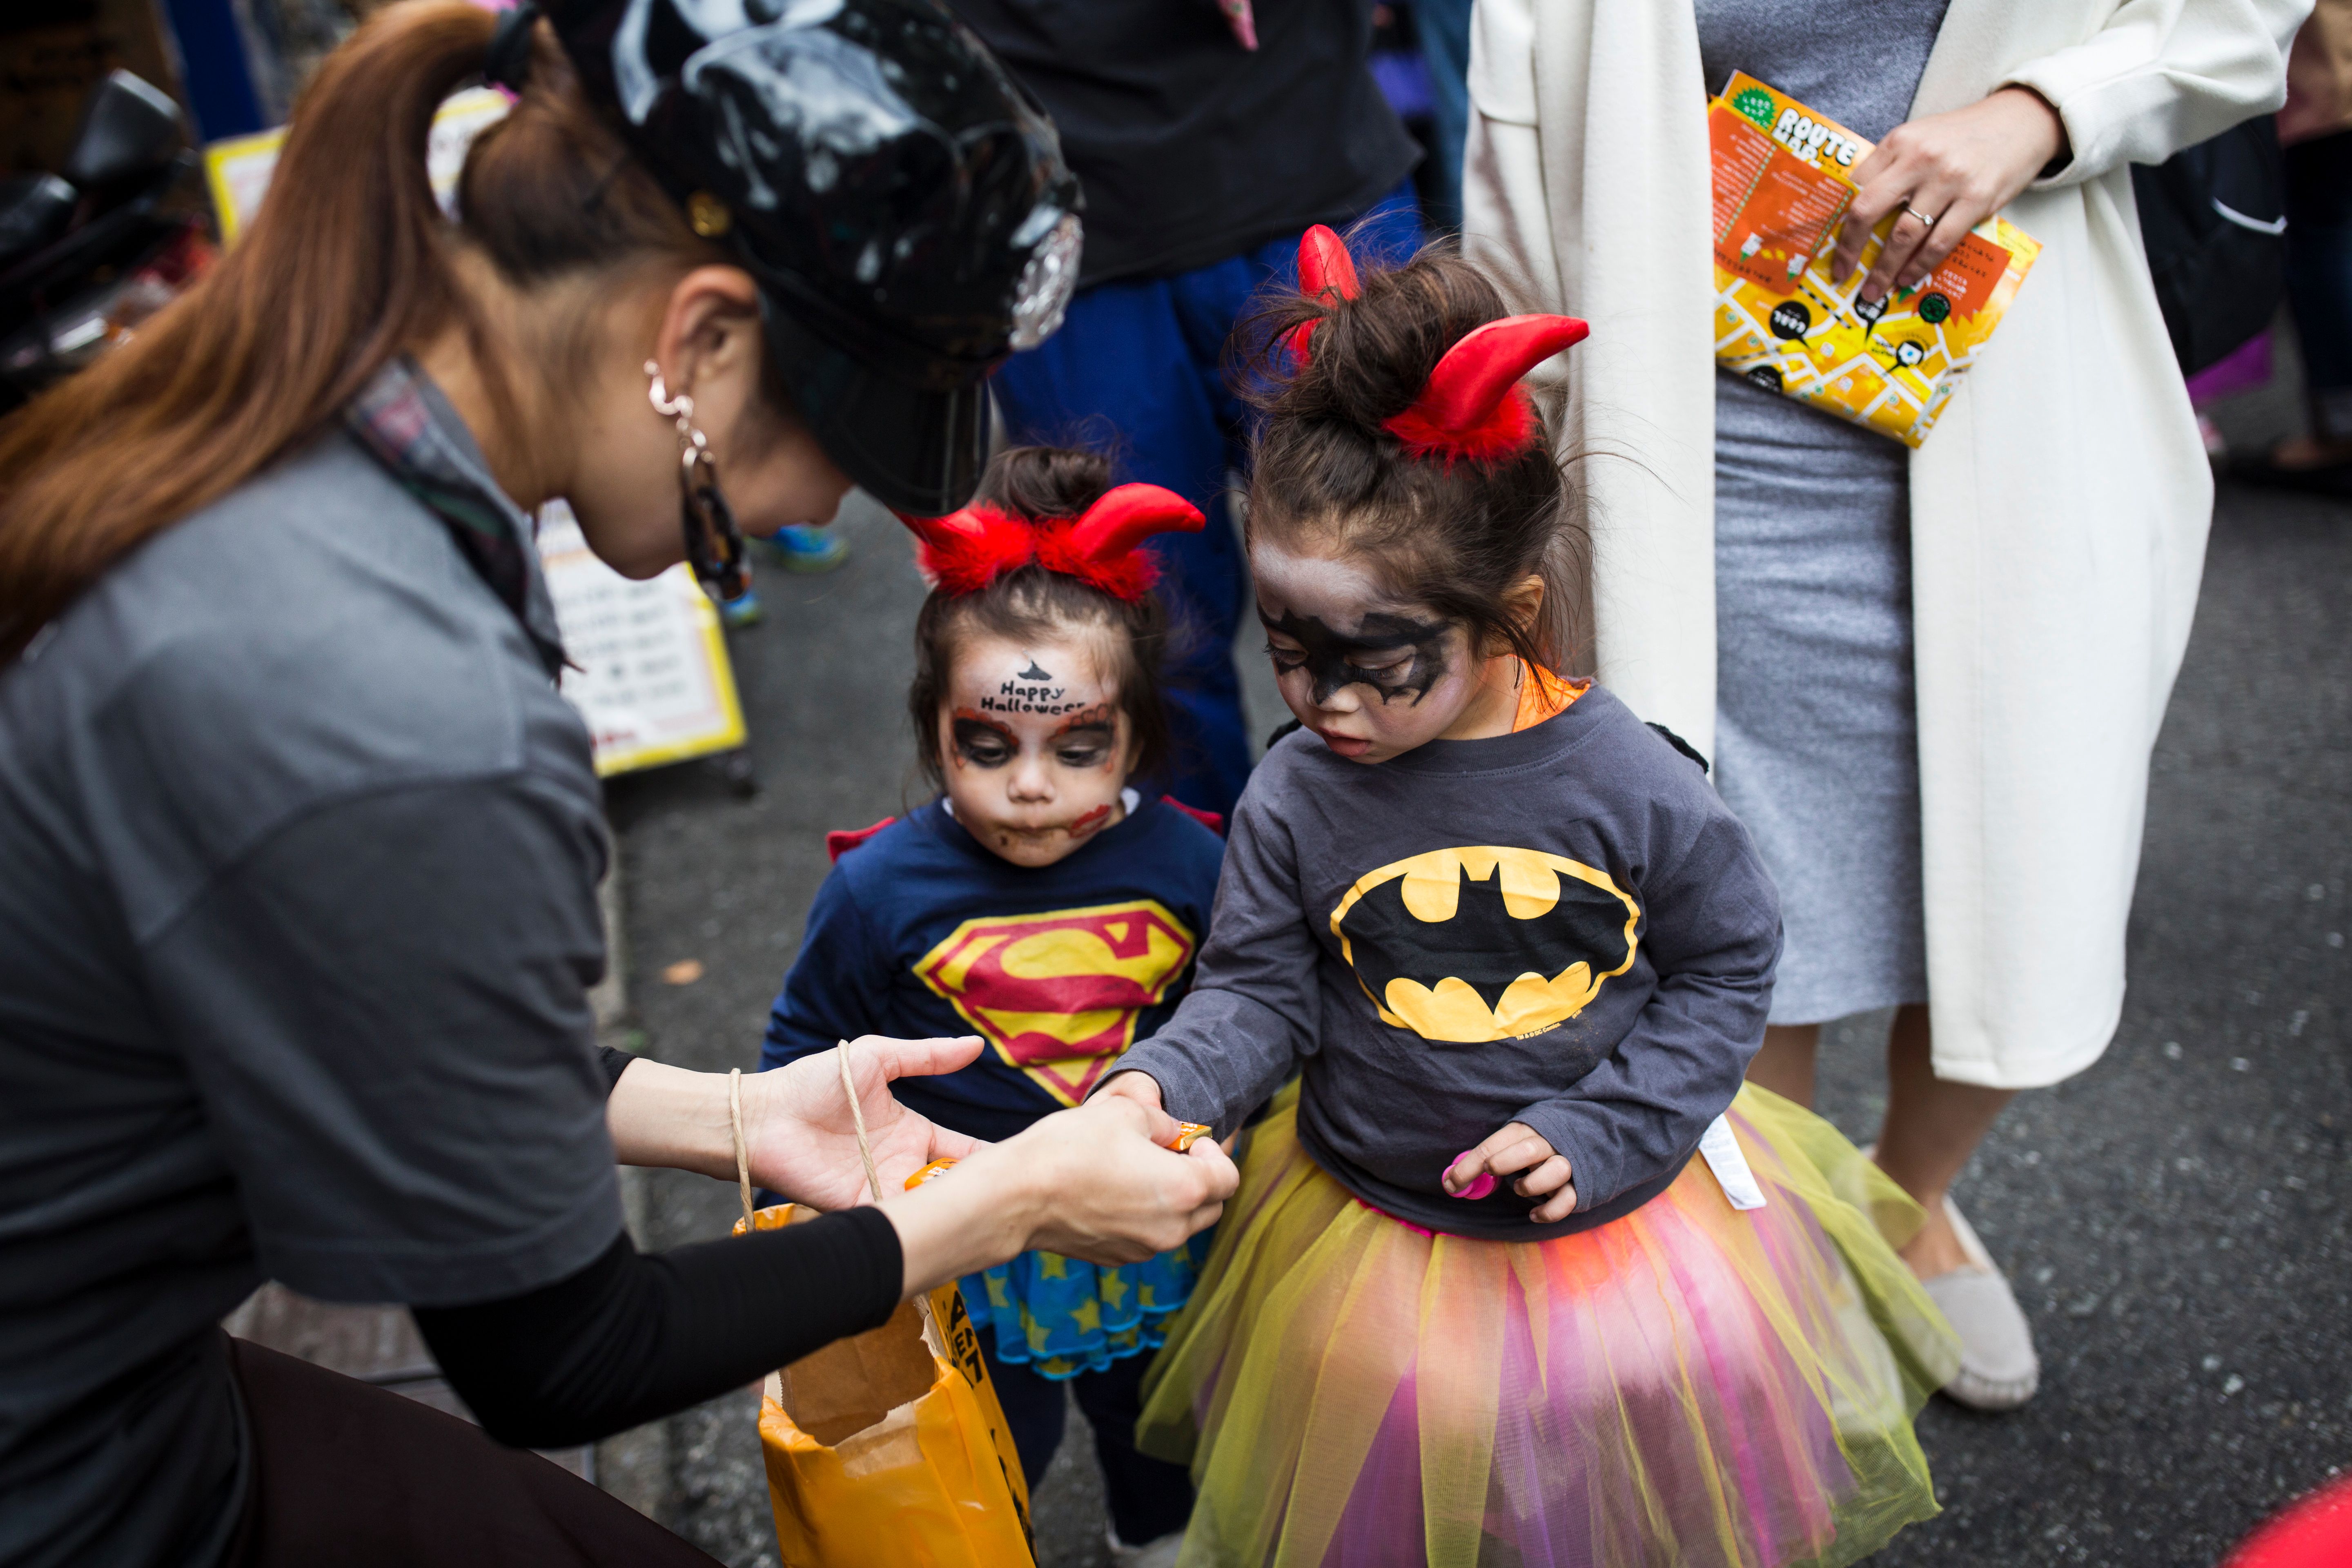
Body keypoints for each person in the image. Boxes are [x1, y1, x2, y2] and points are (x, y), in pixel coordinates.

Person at [0, 4, 1236, 1566]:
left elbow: (374, 1009)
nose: (844, 497)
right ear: (700, 343)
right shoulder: (410, 706)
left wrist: (737, 1114)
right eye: (855, 442)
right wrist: (1018, 1198)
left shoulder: (323, 438)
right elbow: (561, 1357)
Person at [1464, 0, 2303, 1409]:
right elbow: (1518, 114)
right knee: (1744, 887)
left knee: (2018, 861)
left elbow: (2238, 20)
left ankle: (1911, 1200)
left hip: (2020, 397)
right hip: (1703, 439)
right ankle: (1788, 1246)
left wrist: (2038, 108)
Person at [1092, 234, 1960, 1567]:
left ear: (1515, 611)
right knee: (1410, 1499)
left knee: (1621, 1501)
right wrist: (1160, 1088)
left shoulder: (1627, 780)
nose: (1325, 702)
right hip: (1369, 1222)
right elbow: (1259, 991)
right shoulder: (1298, 792)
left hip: (1619, 1230)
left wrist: (1612, 1124)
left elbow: (1730, 966)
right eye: (1288, 651)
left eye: (1378, 663)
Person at [760, 446, 1226, 1564]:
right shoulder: (877, 889)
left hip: (1137, 1220)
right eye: (988, 745)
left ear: (1139, 739)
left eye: (1078, 746)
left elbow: (1234, 1012)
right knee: (986, 1435)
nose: (1030, 783)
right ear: (935, 732)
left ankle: (1151, 1537)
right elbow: (796, 1050)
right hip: (965, 1234)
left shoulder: (1193, 867)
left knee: (1151, 1413)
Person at [945, 0, 1425, 819]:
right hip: (1056, 204)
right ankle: (1217, 922)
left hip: (1302, 145)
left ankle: (1451, 898)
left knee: (1408, 583)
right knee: (1150, 643)